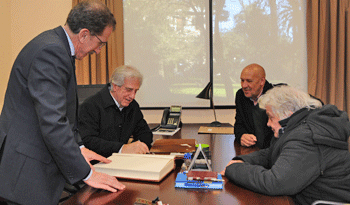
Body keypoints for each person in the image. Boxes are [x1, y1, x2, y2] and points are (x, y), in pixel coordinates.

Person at [0, 1, 126, 204]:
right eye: (101, 43)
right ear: (84, 34)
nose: (99, 51)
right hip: (27, 172)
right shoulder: (51, 51)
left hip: (31, 166)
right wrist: (88, 174)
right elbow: (53, 122)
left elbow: (61, 113)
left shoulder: (56, 46)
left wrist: (79, 148)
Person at [221, 85, 350, 205]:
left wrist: (234, 170)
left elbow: (275, 183)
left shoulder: (306, 137)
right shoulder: (296, 127)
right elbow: (271, 153)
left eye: (271, 118)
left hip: (324, 202)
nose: (268, 124)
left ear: (287, 114)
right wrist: (241, 160)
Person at [79, 65, 153, 158]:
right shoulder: (91, 105)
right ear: (115, 86)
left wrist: (137, 148)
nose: (132, 96)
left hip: (123, 162)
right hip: (97, 163)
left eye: (136, 91)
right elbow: (88, 141)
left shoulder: (132, 106)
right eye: (129, 90)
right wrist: (122, 148)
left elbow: (145, 133)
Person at [234, 63, 274, 149]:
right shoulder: (240, 95)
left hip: (271, 151)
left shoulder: (274, 96)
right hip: (252, 150)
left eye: (249, 81)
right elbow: (238, 124)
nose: (244, 85)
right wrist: (241, 135)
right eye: (242, 80)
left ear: (262, 81)